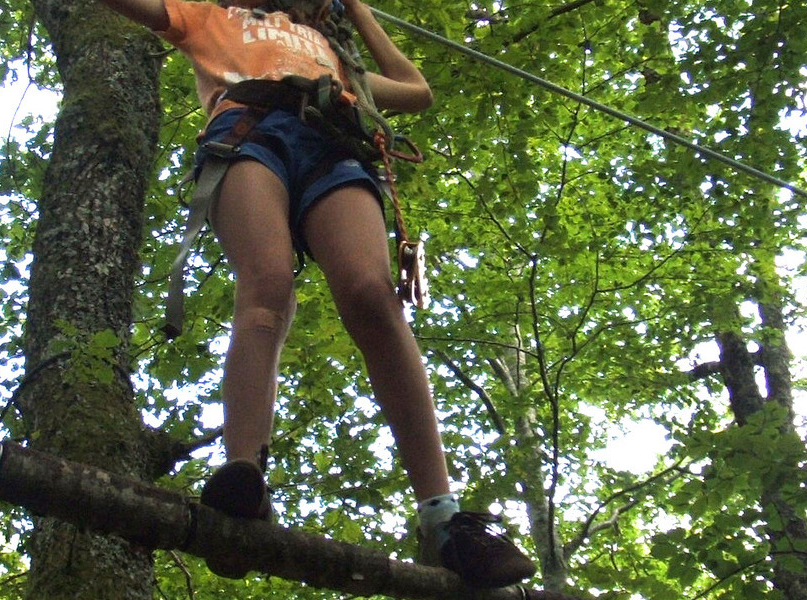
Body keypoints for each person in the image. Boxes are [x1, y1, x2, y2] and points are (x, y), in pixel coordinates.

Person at [91, 0, 534, 588]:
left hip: (332, 141)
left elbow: (415, 89)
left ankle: (444, 521)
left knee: (374, 298)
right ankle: (243, 475)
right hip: (249, 131)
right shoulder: (207, 16)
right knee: (267, 282)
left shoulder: (336, 55)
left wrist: (355, 9)